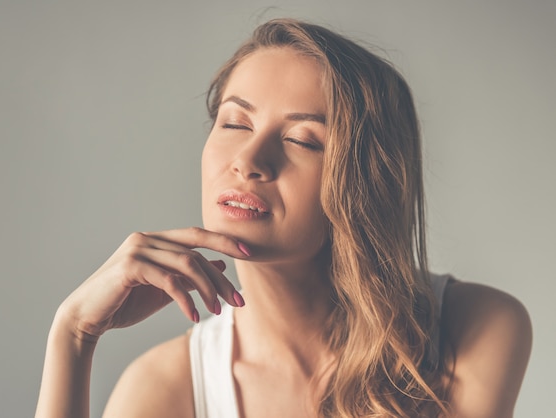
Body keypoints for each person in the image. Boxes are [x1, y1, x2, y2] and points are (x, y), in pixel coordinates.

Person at [35, 18, 532, 418]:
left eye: (302, 140)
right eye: (234, 122)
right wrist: (74, 334)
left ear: (367, 184)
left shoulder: (477, 329)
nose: (250, 159)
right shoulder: (165, 389)